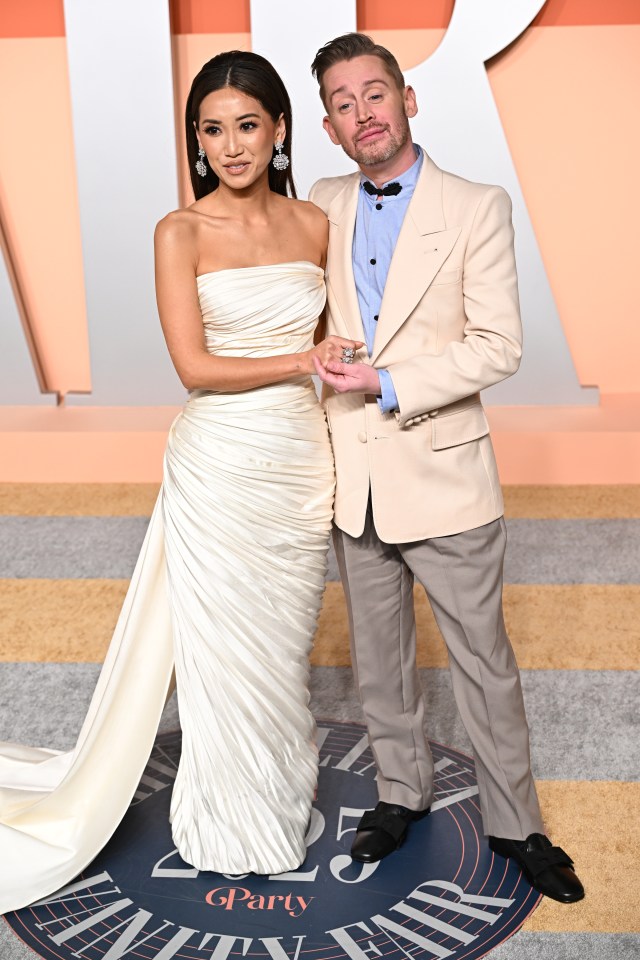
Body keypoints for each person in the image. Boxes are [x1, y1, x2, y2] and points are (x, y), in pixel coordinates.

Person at [0, 50, 360, 914]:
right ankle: (230, 826)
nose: (230, 145)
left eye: (247, 125)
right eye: (212, 129)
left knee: (279, 654)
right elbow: (194, 368)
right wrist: (301, 359)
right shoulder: (180, 231)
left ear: (278, 130)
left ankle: (276, 804)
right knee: (222, 654)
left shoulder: (317, 223)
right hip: (220, 462)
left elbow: (343, 337)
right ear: (195, 141)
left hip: (298, 462)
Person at [308, 32, 584, 904]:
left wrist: (390, 380)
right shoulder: (319, 204)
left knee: (483, 660)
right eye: (345, 103)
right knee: (378, 664)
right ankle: (400, 793)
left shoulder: (477, 205)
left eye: (375, 93)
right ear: (327, 126)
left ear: (409, 99)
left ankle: (517, 822)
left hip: (446, 471)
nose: (364, 113)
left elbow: (499, 344)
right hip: (356, 476)